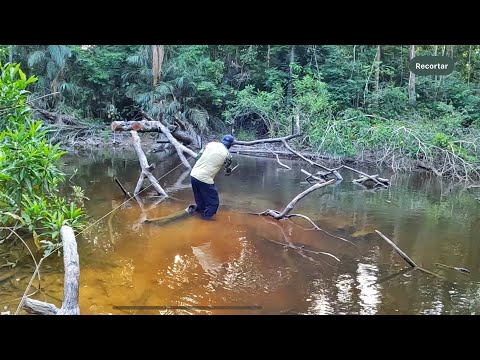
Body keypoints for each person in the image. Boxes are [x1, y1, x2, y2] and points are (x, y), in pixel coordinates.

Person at [189, 134, 235, 220]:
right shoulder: (228, 155)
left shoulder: (210, 144)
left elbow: (198, 157)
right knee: (213, 204)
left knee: (200, 201)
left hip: (193, 174)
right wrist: (228, 172)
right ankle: (205, 222)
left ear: (222, 140)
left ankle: (197, 218)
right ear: (230, 145)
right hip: (205, 179)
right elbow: (227, 169)